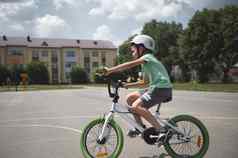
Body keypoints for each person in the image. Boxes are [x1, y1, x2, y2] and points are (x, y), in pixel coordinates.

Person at [104, 34, 172, 137]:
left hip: (161, 88)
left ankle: (161, 130)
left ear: (141, 47)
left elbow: (129, 64)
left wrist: (110, 70)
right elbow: (144, 82)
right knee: (130, 98)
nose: (132, 53)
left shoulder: (147, 57)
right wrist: (127, 85)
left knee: (136, 106)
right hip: (155, 88)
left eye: (133, 50)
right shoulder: (145, 63)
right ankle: (139, 127)